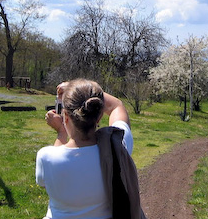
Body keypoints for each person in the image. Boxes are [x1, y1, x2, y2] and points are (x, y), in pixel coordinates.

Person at [36, 79, 146, 219]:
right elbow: (116, 106)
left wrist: (61, 132)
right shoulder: (116, 147)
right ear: (99, 116)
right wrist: (78, 89)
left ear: (66, 117)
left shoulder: (46, 157)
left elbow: (47, 182)